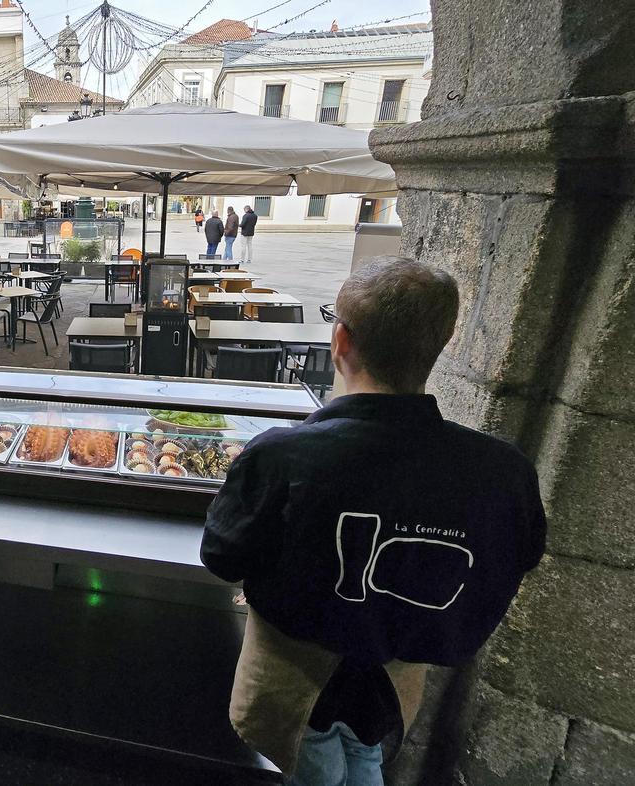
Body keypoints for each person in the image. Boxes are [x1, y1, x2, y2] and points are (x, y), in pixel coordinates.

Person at [200, 257, 546, 785]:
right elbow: (518, 559)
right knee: (364, 748)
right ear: (439, 345)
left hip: (297, 676)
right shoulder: (506, 470)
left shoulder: (284, 456)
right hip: (396, 680)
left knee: (313, 760)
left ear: (340, 341)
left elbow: (223, 556)